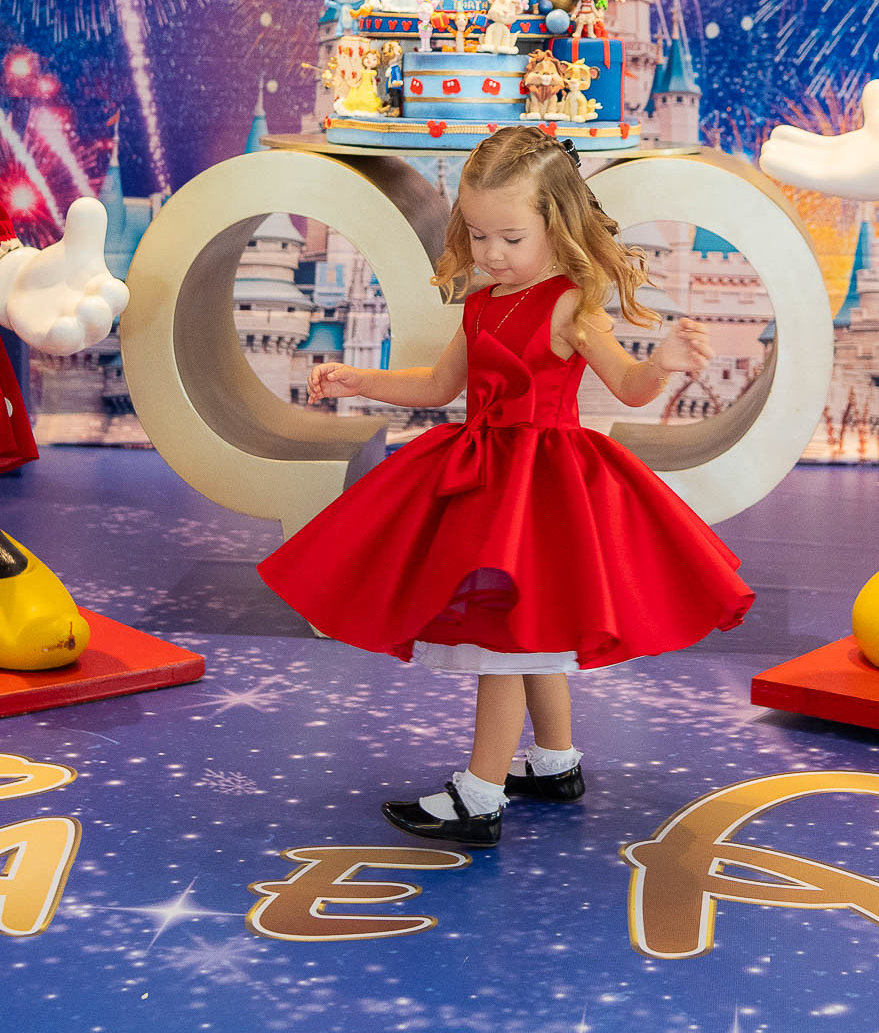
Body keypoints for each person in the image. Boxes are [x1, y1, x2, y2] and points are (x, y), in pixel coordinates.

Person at [259, 127, 752, 846]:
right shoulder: (484, 300)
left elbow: (628, 384)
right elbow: (439, 383)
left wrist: (665, 362)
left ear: (559, 224)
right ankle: (553, 763)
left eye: (510, 238)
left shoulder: (568, 305)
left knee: (501, 644)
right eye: (478, 234)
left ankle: (479, 795)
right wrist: (357, 380)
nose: (491, 253)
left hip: (542, 490)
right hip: (479, 476)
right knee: (529, 636)